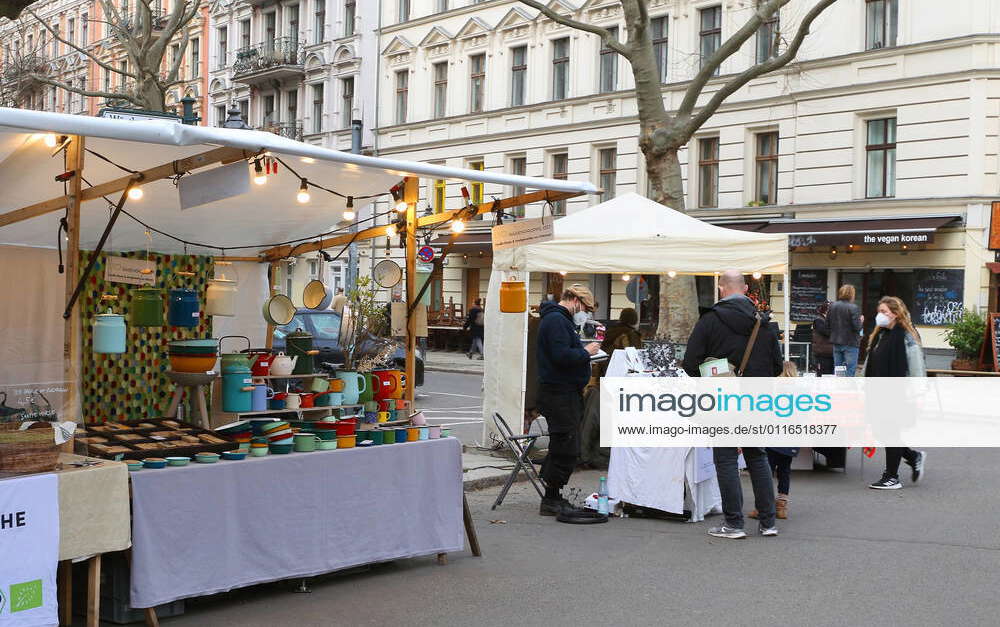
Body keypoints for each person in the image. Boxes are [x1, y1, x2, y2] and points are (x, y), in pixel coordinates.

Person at [682, 270, 784, 539]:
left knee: (726, 460)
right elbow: (776, 366)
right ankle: (768, 522)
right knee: (757, 456)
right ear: (746, 288)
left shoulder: (710, 320)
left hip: (722, 399)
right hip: (756, 400)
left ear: (721, 289)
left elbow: (690, 362)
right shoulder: (764, 323)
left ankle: (734, 524)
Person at [536, 284, 601, 516]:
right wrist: (587, 353)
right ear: (574, 300)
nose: (585, 311)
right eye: (584, 306)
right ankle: (551, 497)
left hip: (562, 392)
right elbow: (561, 356)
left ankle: (553, 495)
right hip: (559, 393)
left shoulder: (559, 320)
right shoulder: (556, 321)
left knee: (564, 443)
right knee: (566, 445)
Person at [864, 296, 927, 490]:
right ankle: (913, 456)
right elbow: (870, 361)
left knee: (890, 431)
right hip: (878, 392)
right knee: (880, 431)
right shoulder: (880, 335)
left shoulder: (906, 336)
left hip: (898, 393)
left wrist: (917, 394)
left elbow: (916, 368)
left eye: (884, 312)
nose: (880, 315)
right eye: (879, 311)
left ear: (895, 313)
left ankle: (892, 477)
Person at [828, 285, 863, 376]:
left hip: (836, 342)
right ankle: (847, 389)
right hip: (850, 343)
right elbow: (857, 327)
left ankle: (837, 388)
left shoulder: (832, 306)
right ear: (852, 294)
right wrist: (861, 321)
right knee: (849, 370)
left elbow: (827, 325)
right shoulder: (854, 307)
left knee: (838, 370)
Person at [811, 301, 834, 375]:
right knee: (823, 375)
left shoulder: (829, 320)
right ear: (827, 310)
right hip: (822, 353)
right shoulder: (818, 320)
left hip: (830, 352)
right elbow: (826, 332)